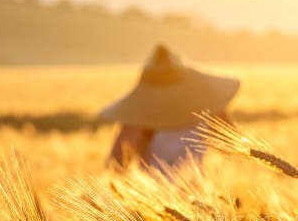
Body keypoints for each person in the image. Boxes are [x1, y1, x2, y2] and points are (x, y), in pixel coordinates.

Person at [99, 44, 240, 171]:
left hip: (171, 196)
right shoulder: (208, 108)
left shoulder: (139, 117)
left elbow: (115, 166)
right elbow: (237, 150)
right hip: (163, 196)